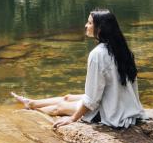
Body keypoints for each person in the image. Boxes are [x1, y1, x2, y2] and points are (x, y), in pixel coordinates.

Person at [10, 9, 146, 128]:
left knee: (60, 108)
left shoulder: (97, 54)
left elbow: (92, 99)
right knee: (67, 97)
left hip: (111, 112)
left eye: (90, 23)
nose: (86, 25)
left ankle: (31, 110)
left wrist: (73, 118)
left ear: (100, 28)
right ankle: (31, 103)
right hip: (123, 104)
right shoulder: (123, 50)